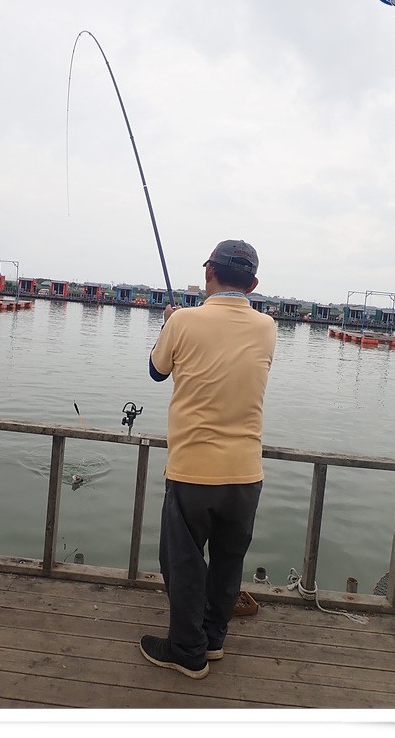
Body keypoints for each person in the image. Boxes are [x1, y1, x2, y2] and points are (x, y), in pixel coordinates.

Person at [139, 239, 276, 679]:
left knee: (182, 563)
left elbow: (157, 371)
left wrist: (169, 325)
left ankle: (187, 651)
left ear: (208, 272)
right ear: (253, 283)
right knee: (228, 562)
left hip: (192, 470)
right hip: (246, 473)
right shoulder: (268, 327)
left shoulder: (182, 321)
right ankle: (213, 639)